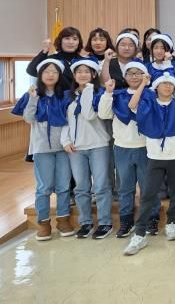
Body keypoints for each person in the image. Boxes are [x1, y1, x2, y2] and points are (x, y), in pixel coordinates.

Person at [123, 71, 175, 255]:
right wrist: (143, 84)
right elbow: (131, 105)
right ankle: (140, 234)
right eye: (163, 84)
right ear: (156, 87)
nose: (167, 87)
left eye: (170, 84)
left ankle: (171, 223)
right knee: (148, 194)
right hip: (155, 157)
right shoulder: (148, 103)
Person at [12, 59, 74, 241]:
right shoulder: (32, 94)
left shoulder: (66, 95)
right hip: (41, 147)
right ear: (40, 75)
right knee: (44, 187)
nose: (50, 74)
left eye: (54, 71)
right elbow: (29, 118)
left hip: (63, 147)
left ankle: (63, 220)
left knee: (63, 186)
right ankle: (44, 222)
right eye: (46, 71)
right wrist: (33, 99)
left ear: (59, 75)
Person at [98, 59, 160, 238]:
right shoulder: (117, 95)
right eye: (130, 73)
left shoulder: (150, 95)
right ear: (124, 76)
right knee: (125, 187)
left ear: (145, 76)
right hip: (122, 147)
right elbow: (104, 114)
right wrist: (108, 93)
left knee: (148, 186)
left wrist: (143, 87)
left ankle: (151, 218)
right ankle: (126, 220)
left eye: (138, 73)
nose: (134, 77)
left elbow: (138, 111)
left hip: (145, 147)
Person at [61, 57, 113, 239]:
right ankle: (85, 222)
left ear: (93, 74)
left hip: (98, 145)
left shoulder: (99, 93)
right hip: (76, 148)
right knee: (81, 187)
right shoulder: (68, 96)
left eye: (86, 71)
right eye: (79, 72)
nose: (82, 75)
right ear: (74, 75)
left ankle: (105, 222)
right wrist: (65, 140)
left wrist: (88, 91)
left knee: (101, 185)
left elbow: (89, 114)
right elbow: (64, 121)